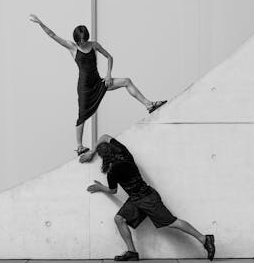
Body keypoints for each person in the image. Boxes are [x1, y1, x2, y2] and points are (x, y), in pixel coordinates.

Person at [29, 15, 166, 157]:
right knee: (82, 115)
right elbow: (52, 35)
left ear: (87, 37)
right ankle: (80, 146)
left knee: (126, 81)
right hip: (84, 87)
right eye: (79, 40)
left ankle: (149, 105)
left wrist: (108, 75)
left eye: (84, 40)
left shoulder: (94, 45)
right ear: (76, 39)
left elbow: (109, 57)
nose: (82, 42)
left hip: (98, 82)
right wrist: (40, 23)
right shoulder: (72, 47)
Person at [81, 134, 215, 261]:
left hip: (147, 199)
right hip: (136, 198)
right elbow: (105, 137)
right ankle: (132, 252)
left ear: (104, 156)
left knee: (172, 222)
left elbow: (113, 190)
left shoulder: (112, 171)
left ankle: (204, 239)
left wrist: (99, 187)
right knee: (119, 219)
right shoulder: (124, 153)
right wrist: (92, 151)